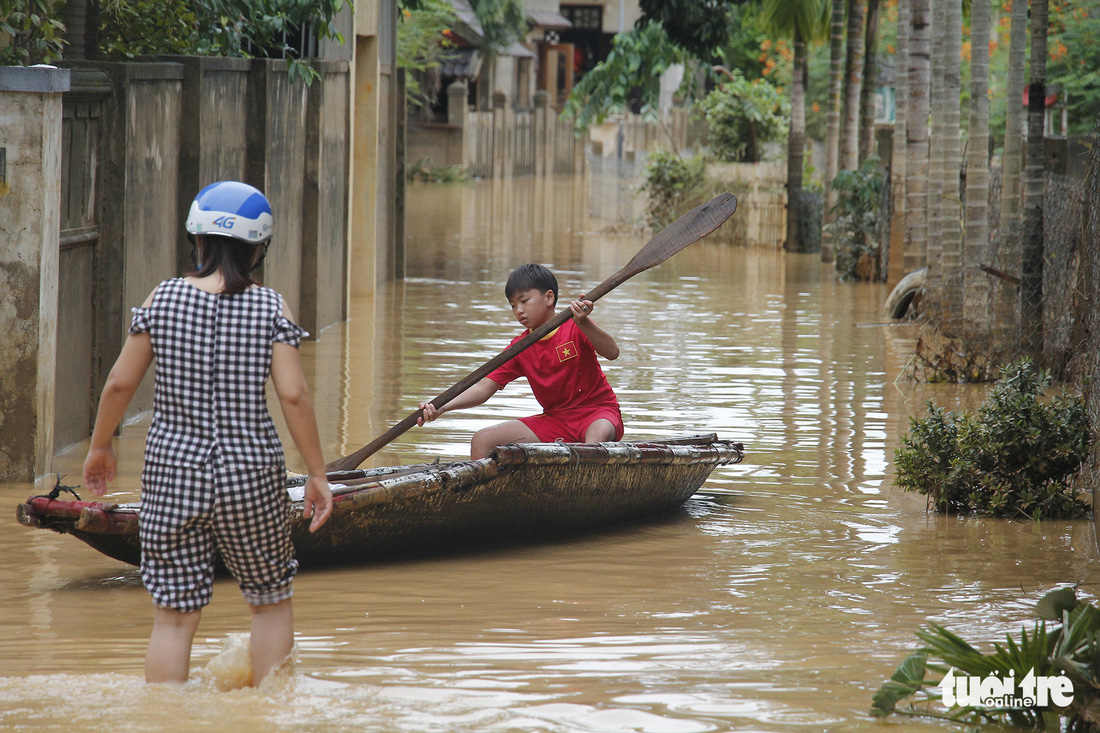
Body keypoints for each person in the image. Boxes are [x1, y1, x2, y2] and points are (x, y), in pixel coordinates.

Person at [81, 181, 333, 685]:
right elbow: (294, 397)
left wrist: (100, 445)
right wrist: (317, 474)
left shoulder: (164, 298)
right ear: (259, 247)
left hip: (174, 475)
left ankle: (166, 718)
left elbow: (119, 382)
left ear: (196, 238)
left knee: (174, 617)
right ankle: (268, 716)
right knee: (269, 601)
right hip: (250, 476)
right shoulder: (271, 307)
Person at [418, 263, 623, 459]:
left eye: (524, 301)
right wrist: (441, 407)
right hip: (556, 420)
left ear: (549, 298)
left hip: (598, 414)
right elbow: (482, 389)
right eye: (513, 305)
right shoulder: (520, 347)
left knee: (596, 437)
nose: (519, 311)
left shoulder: (576, 325)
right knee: (482, 440)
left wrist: (584, 322)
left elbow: (612, 352)